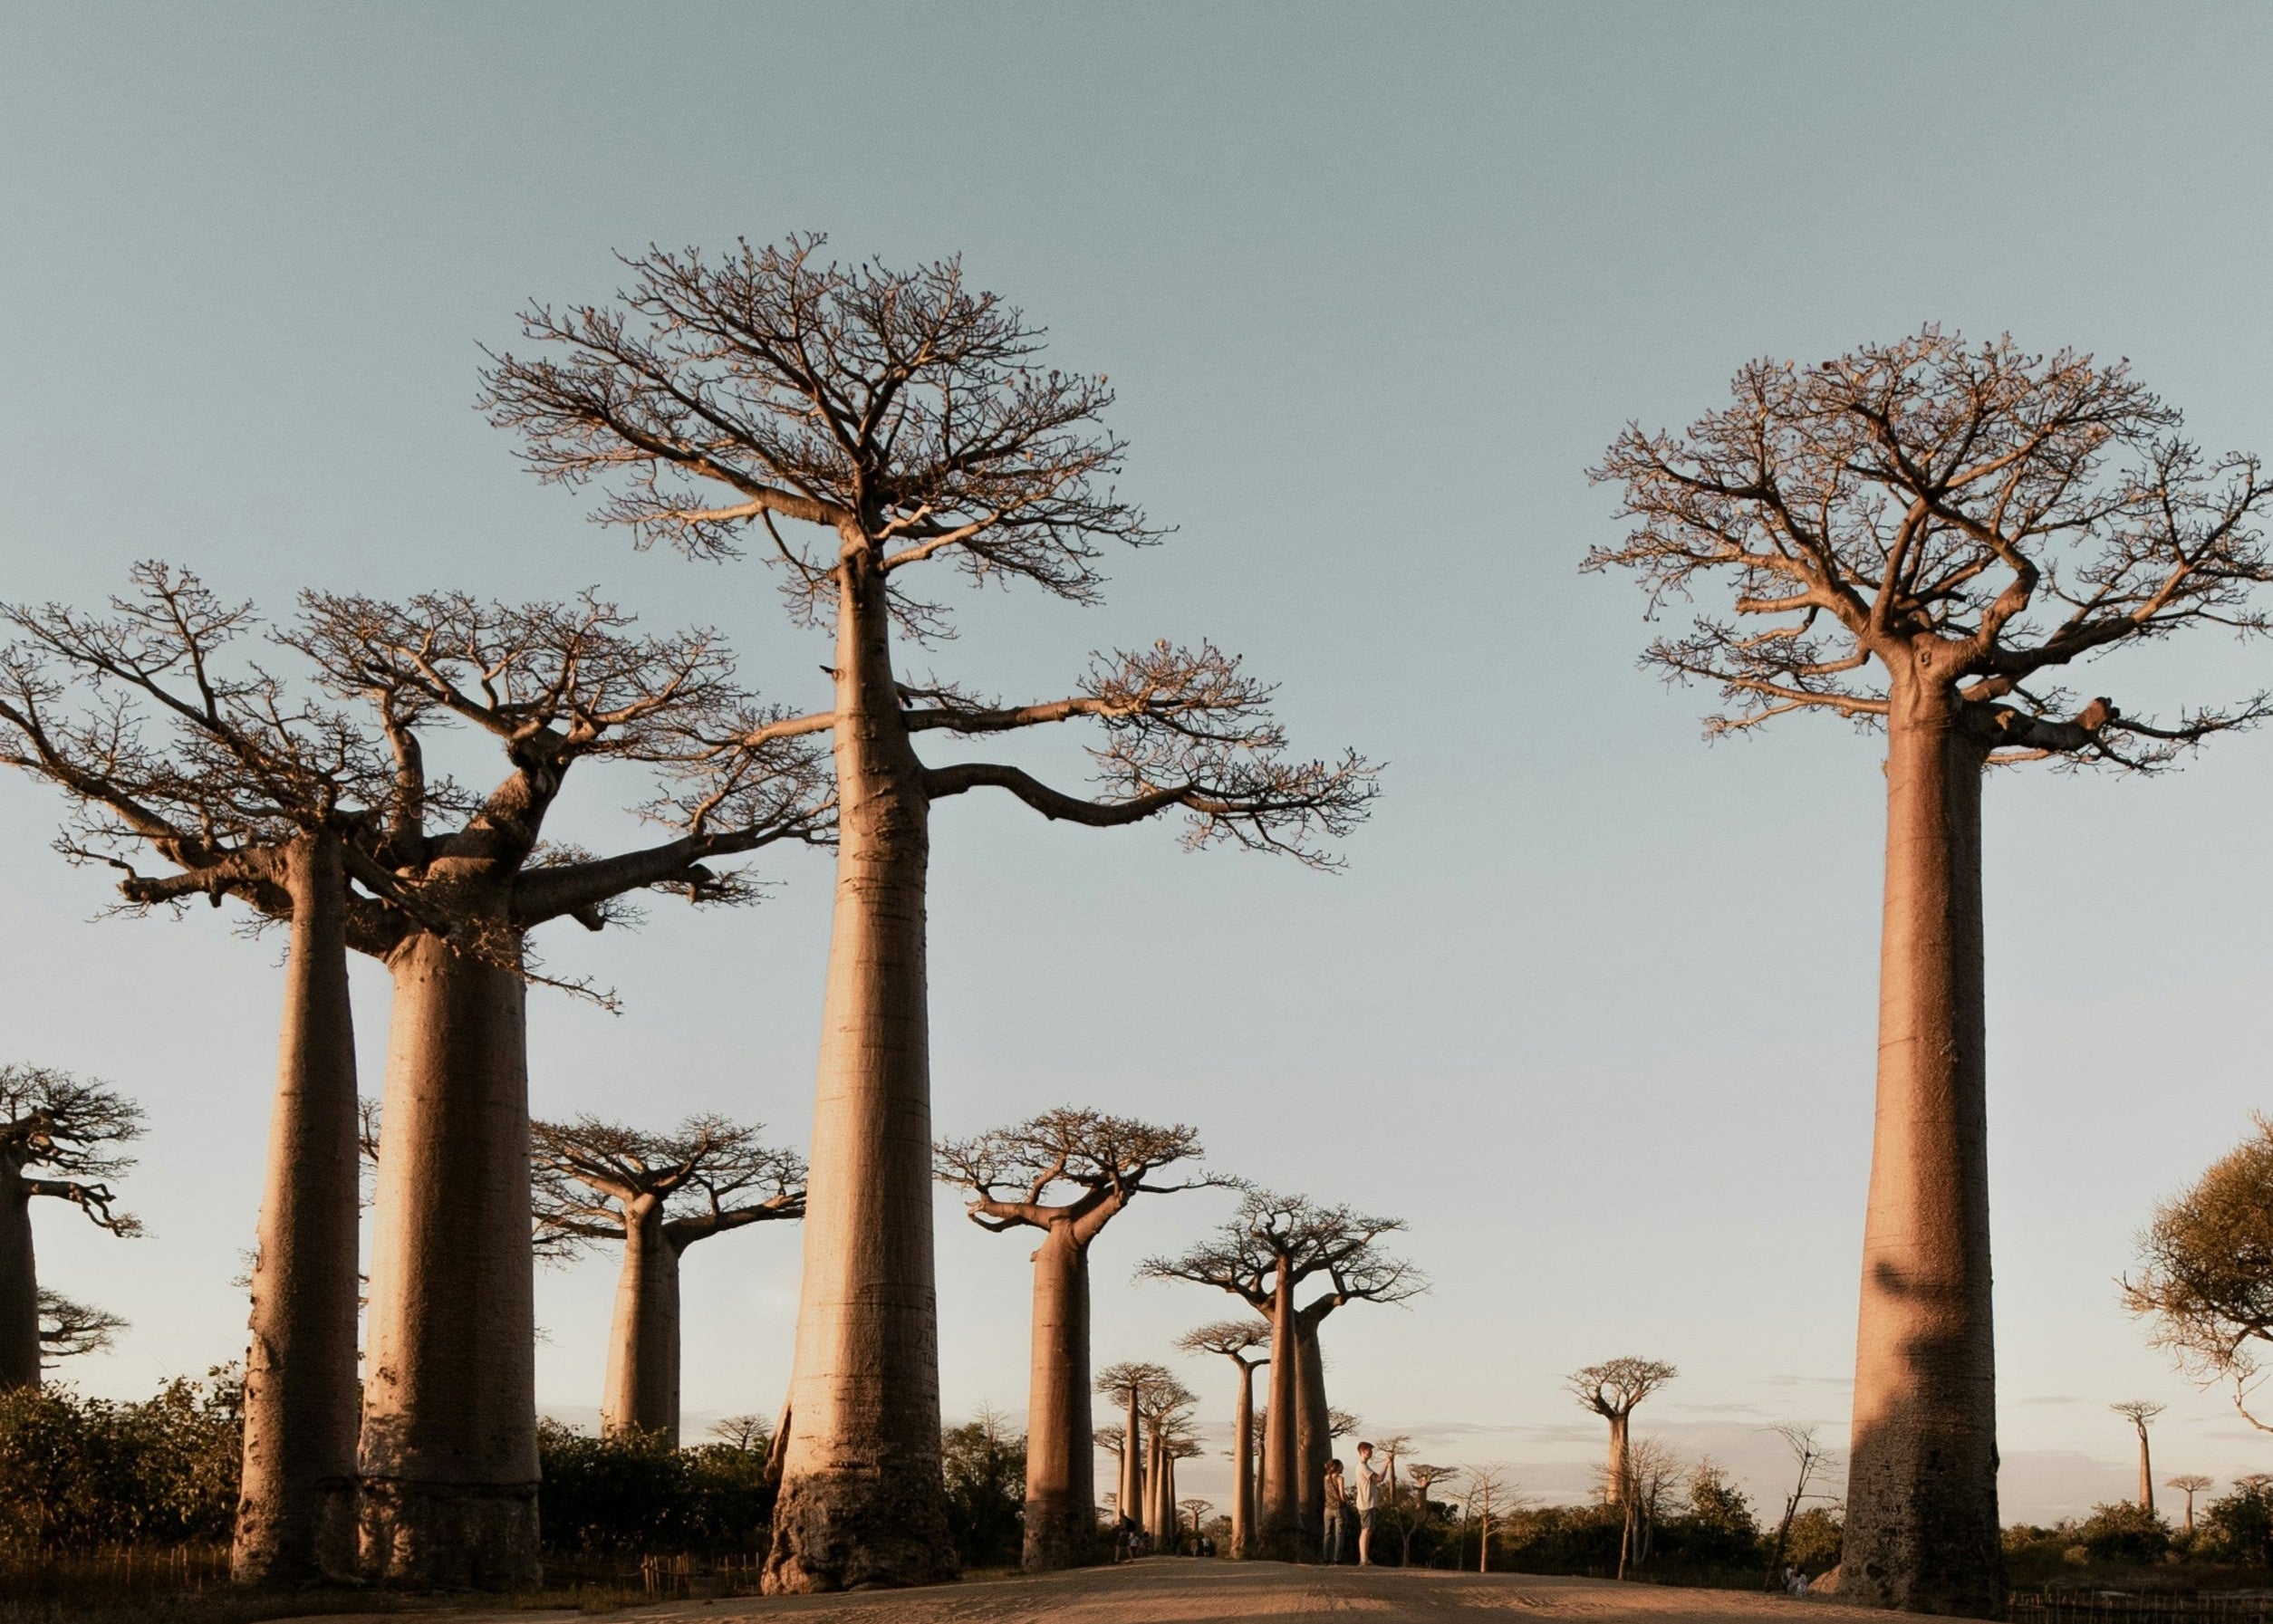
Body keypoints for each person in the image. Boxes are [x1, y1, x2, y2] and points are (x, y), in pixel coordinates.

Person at [1353, 1440, 1392, 1565]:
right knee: (1366, 1530)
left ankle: (1365, 1558)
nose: (1371, 1453)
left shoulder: (1364, 1466)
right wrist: (1386, 1463)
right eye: (1369, 1450)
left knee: (1368, 1530)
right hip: (1366, 1502)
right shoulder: (1362, 1467)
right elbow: (1379, 1478)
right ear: (1363, 1451)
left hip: (1367, 1502)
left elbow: (1378, 1479)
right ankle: (1363, 1559)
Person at [1322, 1458, 1348, 1562]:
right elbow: (1342, 1496)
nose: (1343, 1468)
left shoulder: (1326, 1478)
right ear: (1337, 1467)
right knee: (1339, 1535)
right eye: (1341, 1466)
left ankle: (1326, 1558)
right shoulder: (1340, 1479)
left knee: (1327, 1534)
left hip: (1327, 1509)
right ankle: (1337, 1559)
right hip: (1338, 1509)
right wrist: (1346, 1499)